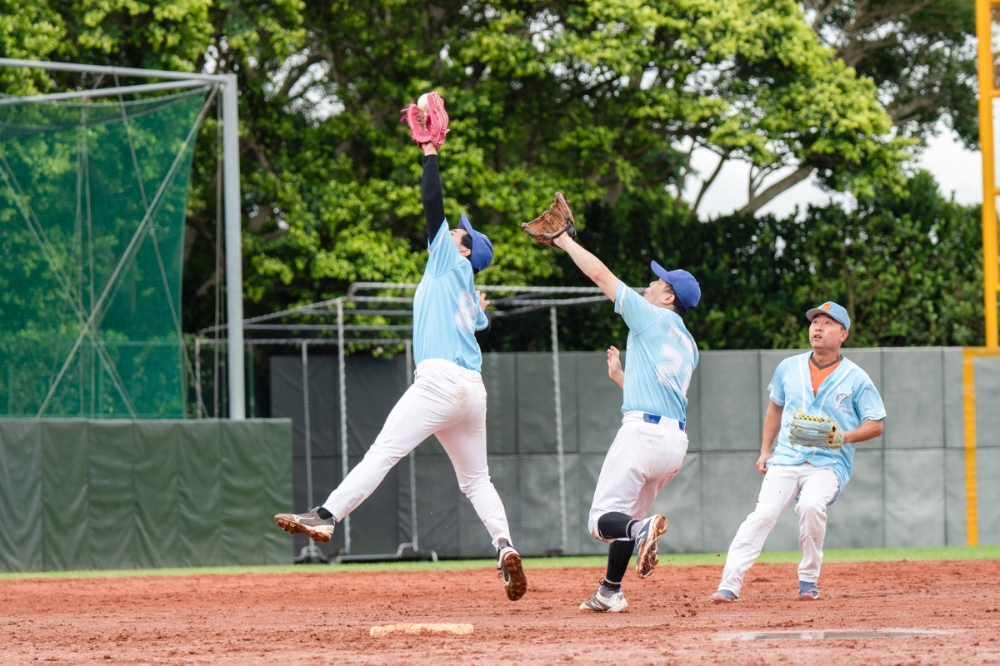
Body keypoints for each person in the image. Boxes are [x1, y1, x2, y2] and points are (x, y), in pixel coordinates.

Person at [274, 123, 527, 602]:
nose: (454, 230)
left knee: (382, 454)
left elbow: (433, 206)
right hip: (472, 390)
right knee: (477, 480)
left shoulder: (447, 263)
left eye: (460, 233)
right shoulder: (466, 289)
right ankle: (505, 545)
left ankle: (326, 517)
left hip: (437, 382)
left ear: (465, 250)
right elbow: (480, 324)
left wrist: (430, 154)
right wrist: (478, 307)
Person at [548, 231, 700, 613]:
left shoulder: (650, 317)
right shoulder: (689, 343)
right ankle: (610, 591)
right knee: (628, 516)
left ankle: (639, 531)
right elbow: (661, 390)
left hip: (643, 436)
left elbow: (600, 275)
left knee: (603, 521)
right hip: (672, 442)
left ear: (669, 298)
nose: (649, 283)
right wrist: (621, 378)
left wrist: (563, 240)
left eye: (658, 281)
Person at [709, 302, 886, 603]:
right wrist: (765, 451)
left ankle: (808, 579)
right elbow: (775, 409)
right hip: (786, 458)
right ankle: (729, 584)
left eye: (827, 323)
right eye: (815, 321)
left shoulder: (857, 378)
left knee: (811, 505)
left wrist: (842, 436)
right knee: (762, 515)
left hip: (828, 464)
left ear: (843, 334)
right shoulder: (788, 367)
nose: (817, 327)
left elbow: (877, 424)